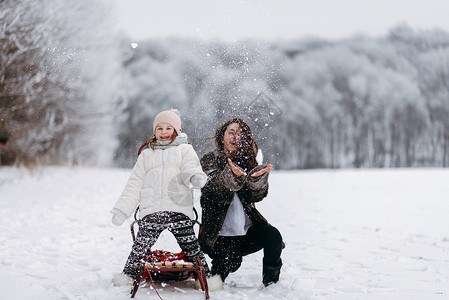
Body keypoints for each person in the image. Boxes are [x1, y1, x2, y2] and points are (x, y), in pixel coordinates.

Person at [110, 109, 221, 289]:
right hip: (152, 210)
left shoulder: (184, 150)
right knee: (140, 246)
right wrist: (122, 210)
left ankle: (205, 278)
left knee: (191, 247)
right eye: (159, 128)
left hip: (178, 209)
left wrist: (194, 177)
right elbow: (134, 183)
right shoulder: (147, 154)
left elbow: (190, 167)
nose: (163, 132)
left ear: (176, 130)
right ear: (154, 131)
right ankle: (128, 275)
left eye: (168, 128)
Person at [199, 117, 284, 288]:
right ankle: (213, 276)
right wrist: (232, 176)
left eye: (240, 134)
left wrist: (257, 181)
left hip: (245, 233)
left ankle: (272, 284)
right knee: (231, 262)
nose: (235, 137)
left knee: (273, 236)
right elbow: (212, 188)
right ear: (222, 137)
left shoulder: (248, 161)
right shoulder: (210, 160)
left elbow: (256, 196)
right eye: (231, 132)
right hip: (218, 236)